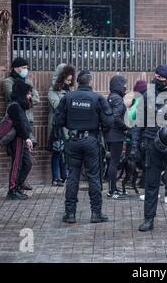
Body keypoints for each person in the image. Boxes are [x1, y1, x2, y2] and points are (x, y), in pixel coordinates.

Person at [131, 65, 167, 232]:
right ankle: (148, 219)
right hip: (152, 143)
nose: (156, 79)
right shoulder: (148, 94)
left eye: (160, 77)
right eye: (155, 76)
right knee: (151, 183)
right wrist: (135, 145)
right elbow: (138, 122)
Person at [54, 70, 114, 224]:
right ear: (90, 82)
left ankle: (70, 214)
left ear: (77, 82)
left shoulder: (68, 98)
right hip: (91, 141)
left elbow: (58, 120)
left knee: (73, 176)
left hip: (73, 141)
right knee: (94, 177)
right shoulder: (97, 98)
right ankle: (96, 213)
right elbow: (108, 122)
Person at [2, 57, 39, 191]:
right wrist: (26, 98)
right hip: (17, 128)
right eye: (23, 67)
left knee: (27, 160)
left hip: (26, 124)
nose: (26, 70)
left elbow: (37, 99)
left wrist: (28, 98)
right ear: (16, 68)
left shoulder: (27, 82)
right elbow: (12, 96)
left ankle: (19, 183)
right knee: (17, 160)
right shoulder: (8, 83)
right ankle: (14, 187)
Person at [47, 64, 75, 187]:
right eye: (67, 80)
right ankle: (55, 178)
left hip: (67, 125)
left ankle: (65, 176)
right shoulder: (53, 90)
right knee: (57, 151)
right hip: (57, 126)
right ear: (61, 77)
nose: (69, 83)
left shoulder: (69, 90)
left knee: (65, 151)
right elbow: (58, 106)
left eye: (71, 80)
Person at [6, 80, 34, 200]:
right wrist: (27, 138)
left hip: (22, 138)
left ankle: (18, 185)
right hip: (17, 139)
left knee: (28, 162)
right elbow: (19, 125)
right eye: (28, 93)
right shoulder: (14, 106)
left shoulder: (20, 106)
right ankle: (12, 190)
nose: (30, 96)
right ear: (22, 93)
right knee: (16, 163)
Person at [105, 75, 129, 199]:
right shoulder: (118, 99)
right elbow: (116, 117)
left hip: (110, 134)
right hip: (116, 135)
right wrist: (125, 127)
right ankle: (112, 191)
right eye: (124, 84)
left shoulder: (111, 97)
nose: (125, 87)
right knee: (114, 163)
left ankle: (113, 188)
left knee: (112, 162)